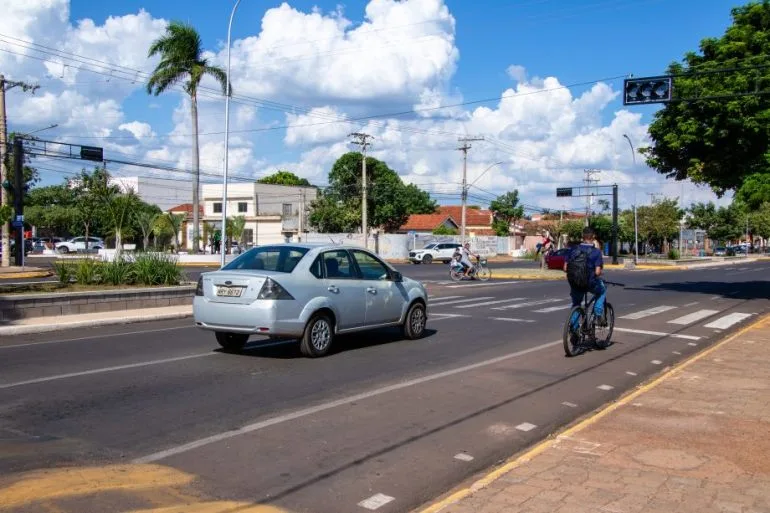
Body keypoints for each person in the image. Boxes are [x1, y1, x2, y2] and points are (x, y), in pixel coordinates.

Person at [564, 227, 606, 326]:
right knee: (602, 290)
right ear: (593, 237)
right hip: (589, 283)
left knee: (576, 304)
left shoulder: (572, 249)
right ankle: (598, 313)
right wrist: (598, 274)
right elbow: (597, 272)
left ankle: (574, 330)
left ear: (582, 236)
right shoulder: (596, 252)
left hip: (575, 282)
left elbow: (565, 268)